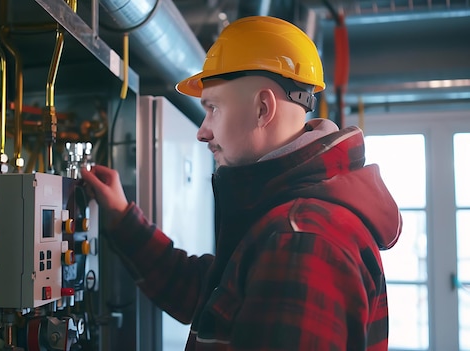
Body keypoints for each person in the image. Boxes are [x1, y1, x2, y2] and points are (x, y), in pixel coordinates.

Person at [81, 16, 402, 350]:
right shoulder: (289, 215)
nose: (202, 131)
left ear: (263, 108)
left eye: (213, 108)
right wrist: (121, 218)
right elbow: (207, 292)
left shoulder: (301, 238)